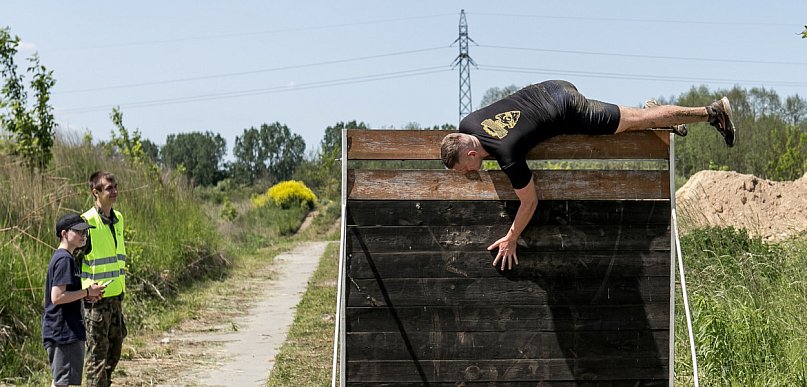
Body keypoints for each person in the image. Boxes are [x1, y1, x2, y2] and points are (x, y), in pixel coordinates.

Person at [440, 80, 736, 271]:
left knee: (636, 120)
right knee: (638, 119)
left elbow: (530, 203)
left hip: (570, 109)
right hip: (551, 87)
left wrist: (512, 237)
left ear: (469, 154)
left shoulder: (508, 155)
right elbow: (492, 138)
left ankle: (712, 112)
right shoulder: (468, 123)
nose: (468, 174)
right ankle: (659, 117)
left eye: (466, 168)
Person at [42, 214, 106, 387]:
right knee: (63, 382)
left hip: (65, 330)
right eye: (78, 231)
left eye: (85, 232)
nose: (83, 235)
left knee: (60, 381)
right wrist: (86, 292)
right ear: (64, 233)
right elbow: (57, 297)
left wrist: (88, 294)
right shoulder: (64, 259)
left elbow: (65, 295)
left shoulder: (66, 258)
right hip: (64, 332)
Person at [80, 171, 127, 387]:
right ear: (95, 192)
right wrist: (86, 290)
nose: (114, 191)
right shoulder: (85, 222)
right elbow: (71, 263)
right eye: (109, 188)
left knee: (114, 353)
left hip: (116, 298)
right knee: (96, 360)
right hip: (96, 303)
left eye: (115, 186)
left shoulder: (118, 219)